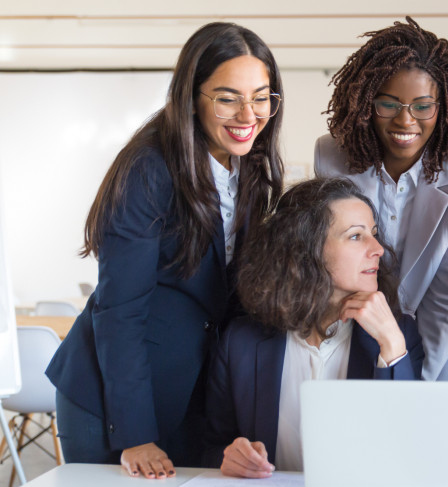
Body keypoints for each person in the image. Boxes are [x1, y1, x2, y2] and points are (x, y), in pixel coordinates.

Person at [45, 22, 285, 479]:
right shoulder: (149, 169)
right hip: (112, 401)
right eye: (228, 97)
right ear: (192, 98)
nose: (248, 113)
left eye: (261, 96)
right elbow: (119, 311)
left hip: (189, 390)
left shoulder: (248, 170)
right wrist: (134, 434)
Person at [315, 17, 448, 381]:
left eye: (422, 106)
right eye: (389, 104)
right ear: (368, 100)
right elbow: (326, 264)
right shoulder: (331, 156)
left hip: (439, 355)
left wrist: (411, 378)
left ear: (442, 107)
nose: (405, 120)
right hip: (348, 336)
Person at [202, 177, 424, 477]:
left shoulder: (399, 336)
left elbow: (408, 456)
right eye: (356, 237)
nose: (378, 249)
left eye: (373, 234)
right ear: (306, 249)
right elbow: (212, 445)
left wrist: (393, 347)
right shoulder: (241, 341)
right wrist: (229, 457)